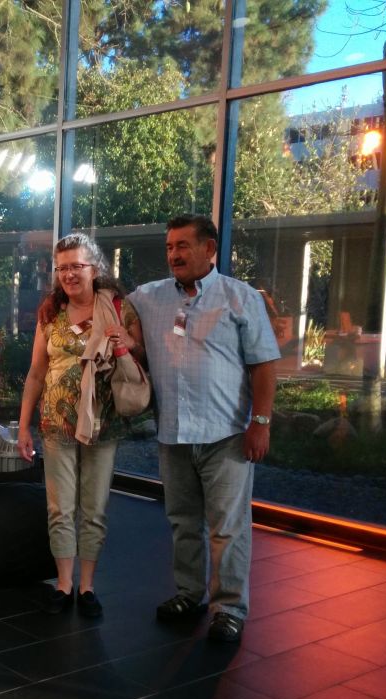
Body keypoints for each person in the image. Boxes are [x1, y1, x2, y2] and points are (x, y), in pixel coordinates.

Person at [127, 215, 279, 643]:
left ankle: (229, 608)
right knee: (182, 521)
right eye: (169, 247)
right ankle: (189, 593)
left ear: (209, 249)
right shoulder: (148, 298)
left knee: (228, 526)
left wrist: (260, 423)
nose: (173, 254)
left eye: (183, 246)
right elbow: (110, 304)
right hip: (172, 434)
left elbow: (265, 364)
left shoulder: (240, 298)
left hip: (226, 435)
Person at [17, 232, 143, 618]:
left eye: (77, 266)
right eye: (62, 268)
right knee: (59, 508)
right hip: (56, 425)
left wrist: (128, 343)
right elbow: (37, 373)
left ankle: (88, 587)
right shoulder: (49, 314)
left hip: (102, 424)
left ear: (95, 268)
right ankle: (64, 583)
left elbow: (141, 355)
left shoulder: (119, 309)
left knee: (94, 508)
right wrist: (23, 426)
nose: (69, 274)